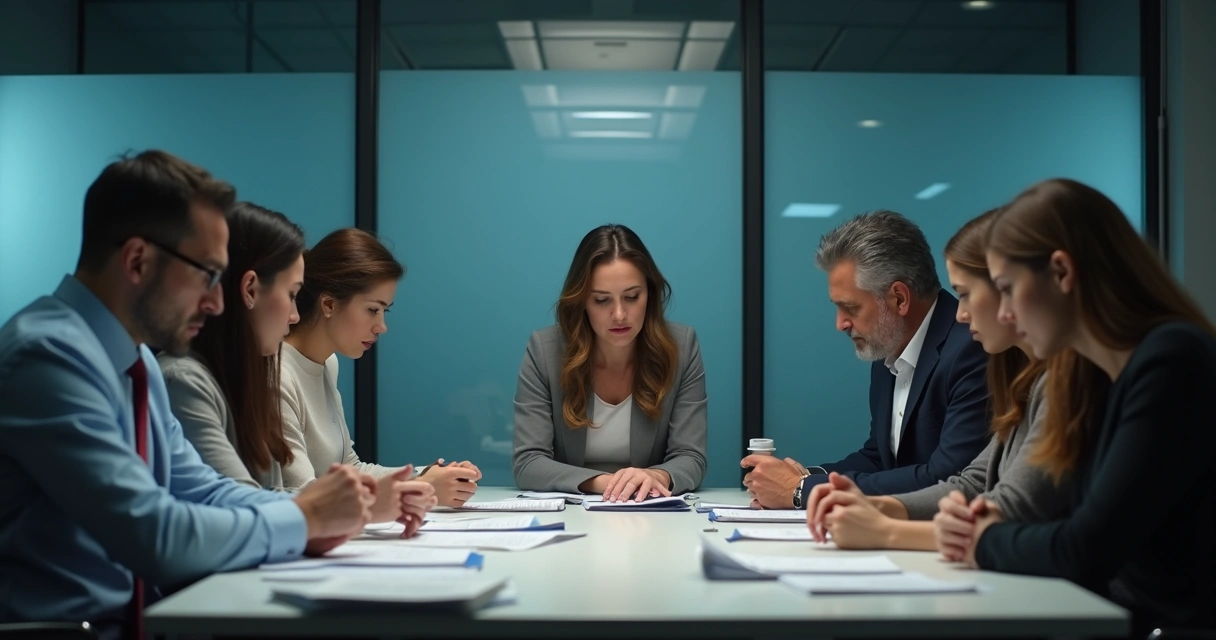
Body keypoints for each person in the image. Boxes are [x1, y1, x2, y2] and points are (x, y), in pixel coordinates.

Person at [0, 151, 377, 638]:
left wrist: (307, 517)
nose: (217, 302)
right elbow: (156, 535)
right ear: (137, 260)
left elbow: (202, 488)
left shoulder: (136, 364)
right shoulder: (48, 358)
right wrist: (303, 519)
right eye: (206, 275)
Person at [962, 178, 1216, 634]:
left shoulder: (1171, 360)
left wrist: (983, 540)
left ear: (1061, 273)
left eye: (1007, 288)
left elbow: (1085, 548)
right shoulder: (1110, 375)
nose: (1004, 315)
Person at [157, 203, 437, 529]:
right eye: (292, 295)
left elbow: (272, 496)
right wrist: (368, 505)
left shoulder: (245, 373)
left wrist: (410, 483)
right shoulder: (190, 379)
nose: (294, 315)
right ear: (248, 290)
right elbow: (245, 508)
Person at [802, 209, 1069, 550]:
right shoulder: (1032, 381)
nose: (960, 312)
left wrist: (884, 528)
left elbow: (1006, 507)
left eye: (970, 293)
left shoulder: (980, 353)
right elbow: (974, 482)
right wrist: (828, 487)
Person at [743, 210, 990, 509]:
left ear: (899, 298)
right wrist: (808, 476)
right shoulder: (890, 344)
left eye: (851, 308)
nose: (840, 323)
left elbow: (947, 477)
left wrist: (803, 491)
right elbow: (879, 457)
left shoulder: (973, 347)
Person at [282, 228, 481, 510]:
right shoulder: (276, 375)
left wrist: (428, 476)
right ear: (328, 303)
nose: (381, 327)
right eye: (373, 310)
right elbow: (302, 496)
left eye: (384, 311)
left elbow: (349, 468)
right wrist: (421, 489)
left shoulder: (327, 362)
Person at [513, 224, 708, 501]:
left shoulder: (682, 347)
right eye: (602, 300)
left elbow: (691, 457)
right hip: (573, 513)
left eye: (631, 297)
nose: (619, 314)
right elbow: (528, 463)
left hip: (651, 516)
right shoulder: (545, 351)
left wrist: (657, 476)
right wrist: (611, 484)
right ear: (582, 302)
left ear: (649, 295)